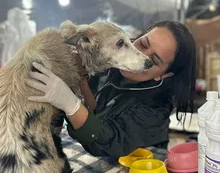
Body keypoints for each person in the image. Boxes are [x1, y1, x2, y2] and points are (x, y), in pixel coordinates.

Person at [25, 21, 197, 157]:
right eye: (143, 43)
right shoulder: (112, 68)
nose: (141, 55)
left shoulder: (155, 109)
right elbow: (94, 109)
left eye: (154, 60)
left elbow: (108, 142)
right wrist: (81, 80)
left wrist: (69, 102)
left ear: (164, 75)